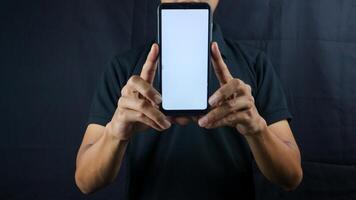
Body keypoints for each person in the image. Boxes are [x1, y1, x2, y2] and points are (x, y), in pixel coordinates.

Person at [75, 0, 303, 199]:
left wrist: (257, 130)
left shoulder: (254, 64)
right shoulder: (124, 69)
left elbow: (291, 176)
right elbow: (85, 180)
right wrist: (116, 134)